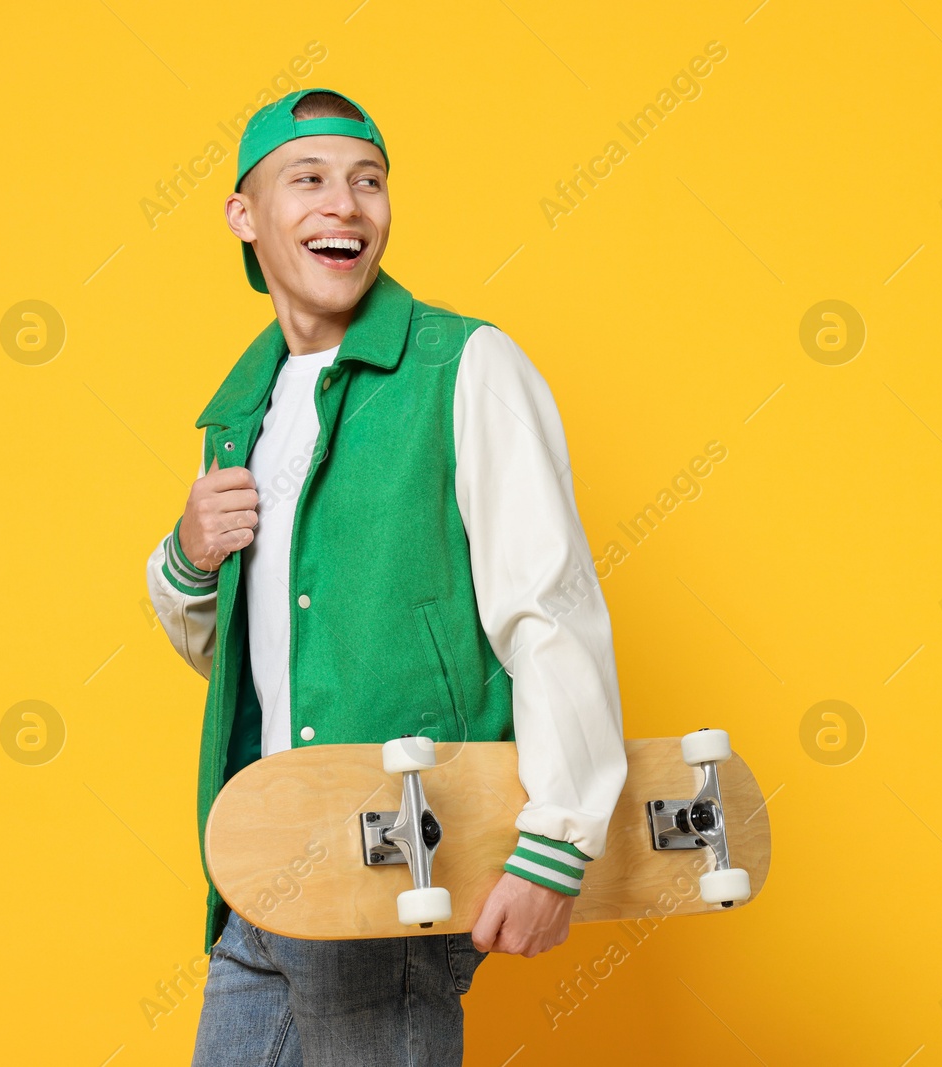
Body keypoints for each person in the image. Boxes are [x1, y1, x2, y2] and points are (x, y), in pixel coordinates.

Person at [143, 87, 628, 1066]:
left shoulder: (466, 367)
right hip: (261, 869)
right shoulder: (246, 411)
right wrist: (190, 558)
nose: (346, 206)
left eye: (368, 181)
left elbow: (551, 606)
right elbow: (254, 656)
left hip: (395, 863)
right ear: (244, 215)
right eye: (308, 179)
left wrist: (559, 839)